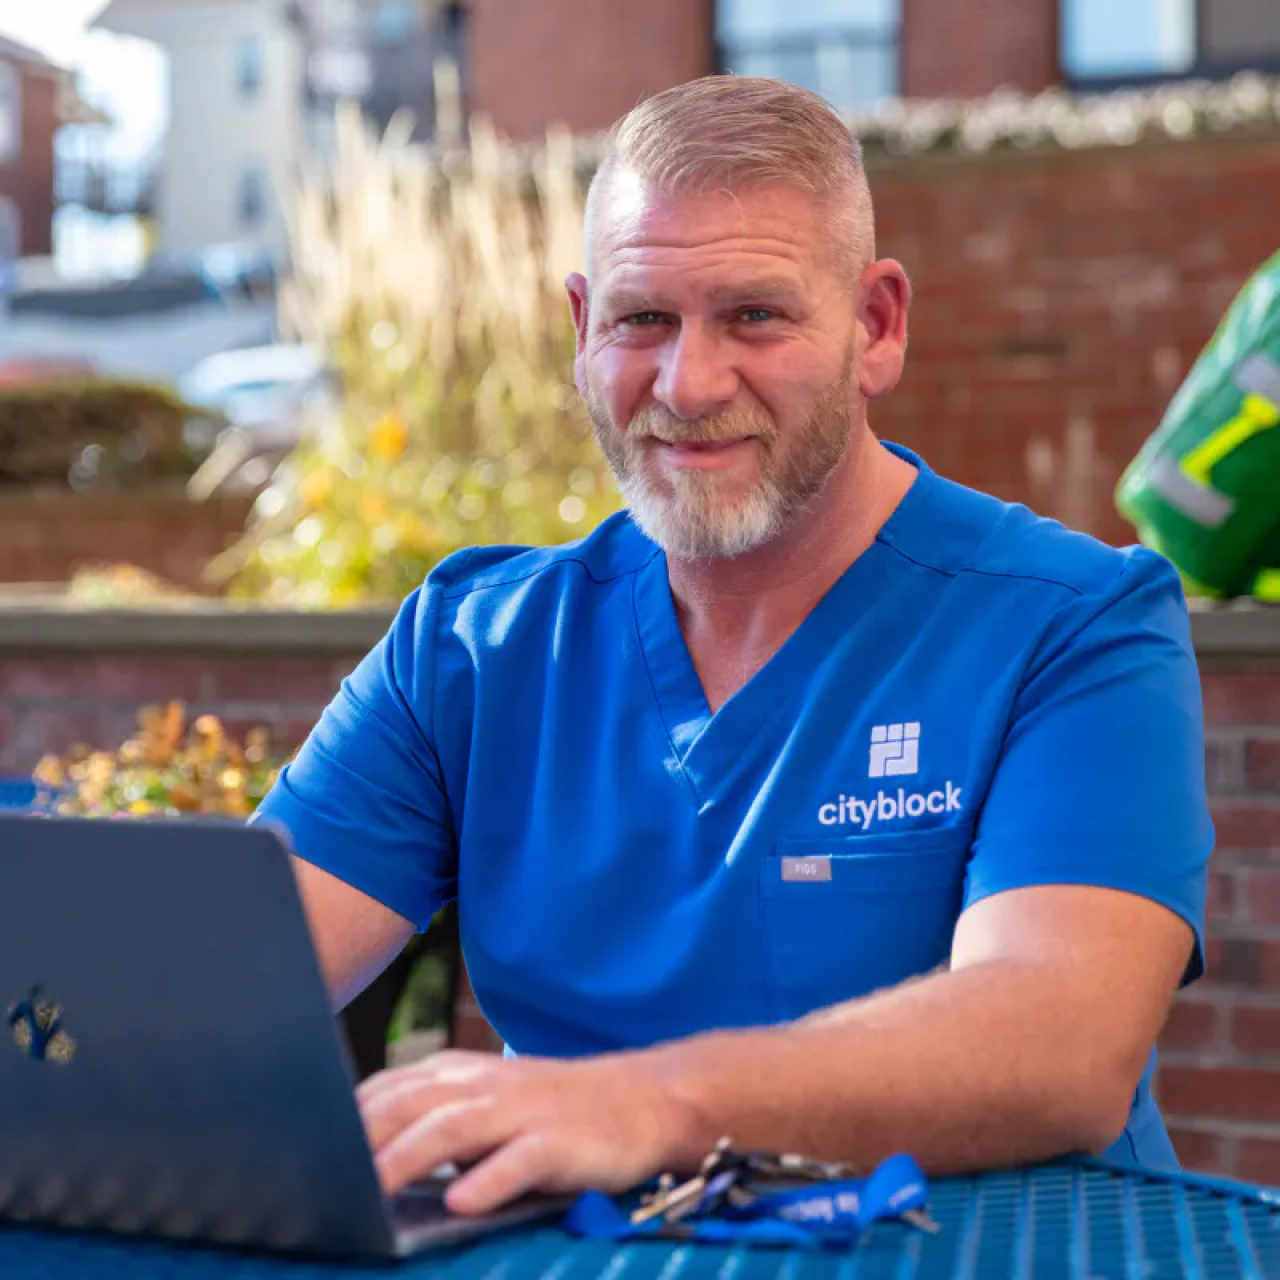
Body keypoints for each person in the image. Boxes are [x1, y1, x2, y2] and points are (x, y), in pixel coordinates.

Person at [251, 75, 1214, 1218]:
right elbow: (224, 988)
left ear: (875, 325)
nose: (686, 383)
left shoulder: (1072, 622)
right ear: (579, 327)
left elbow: (1059, 1042)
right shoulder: (470, 646)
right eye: (640, 318)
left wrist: (642, 1102)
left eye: (753, 315)